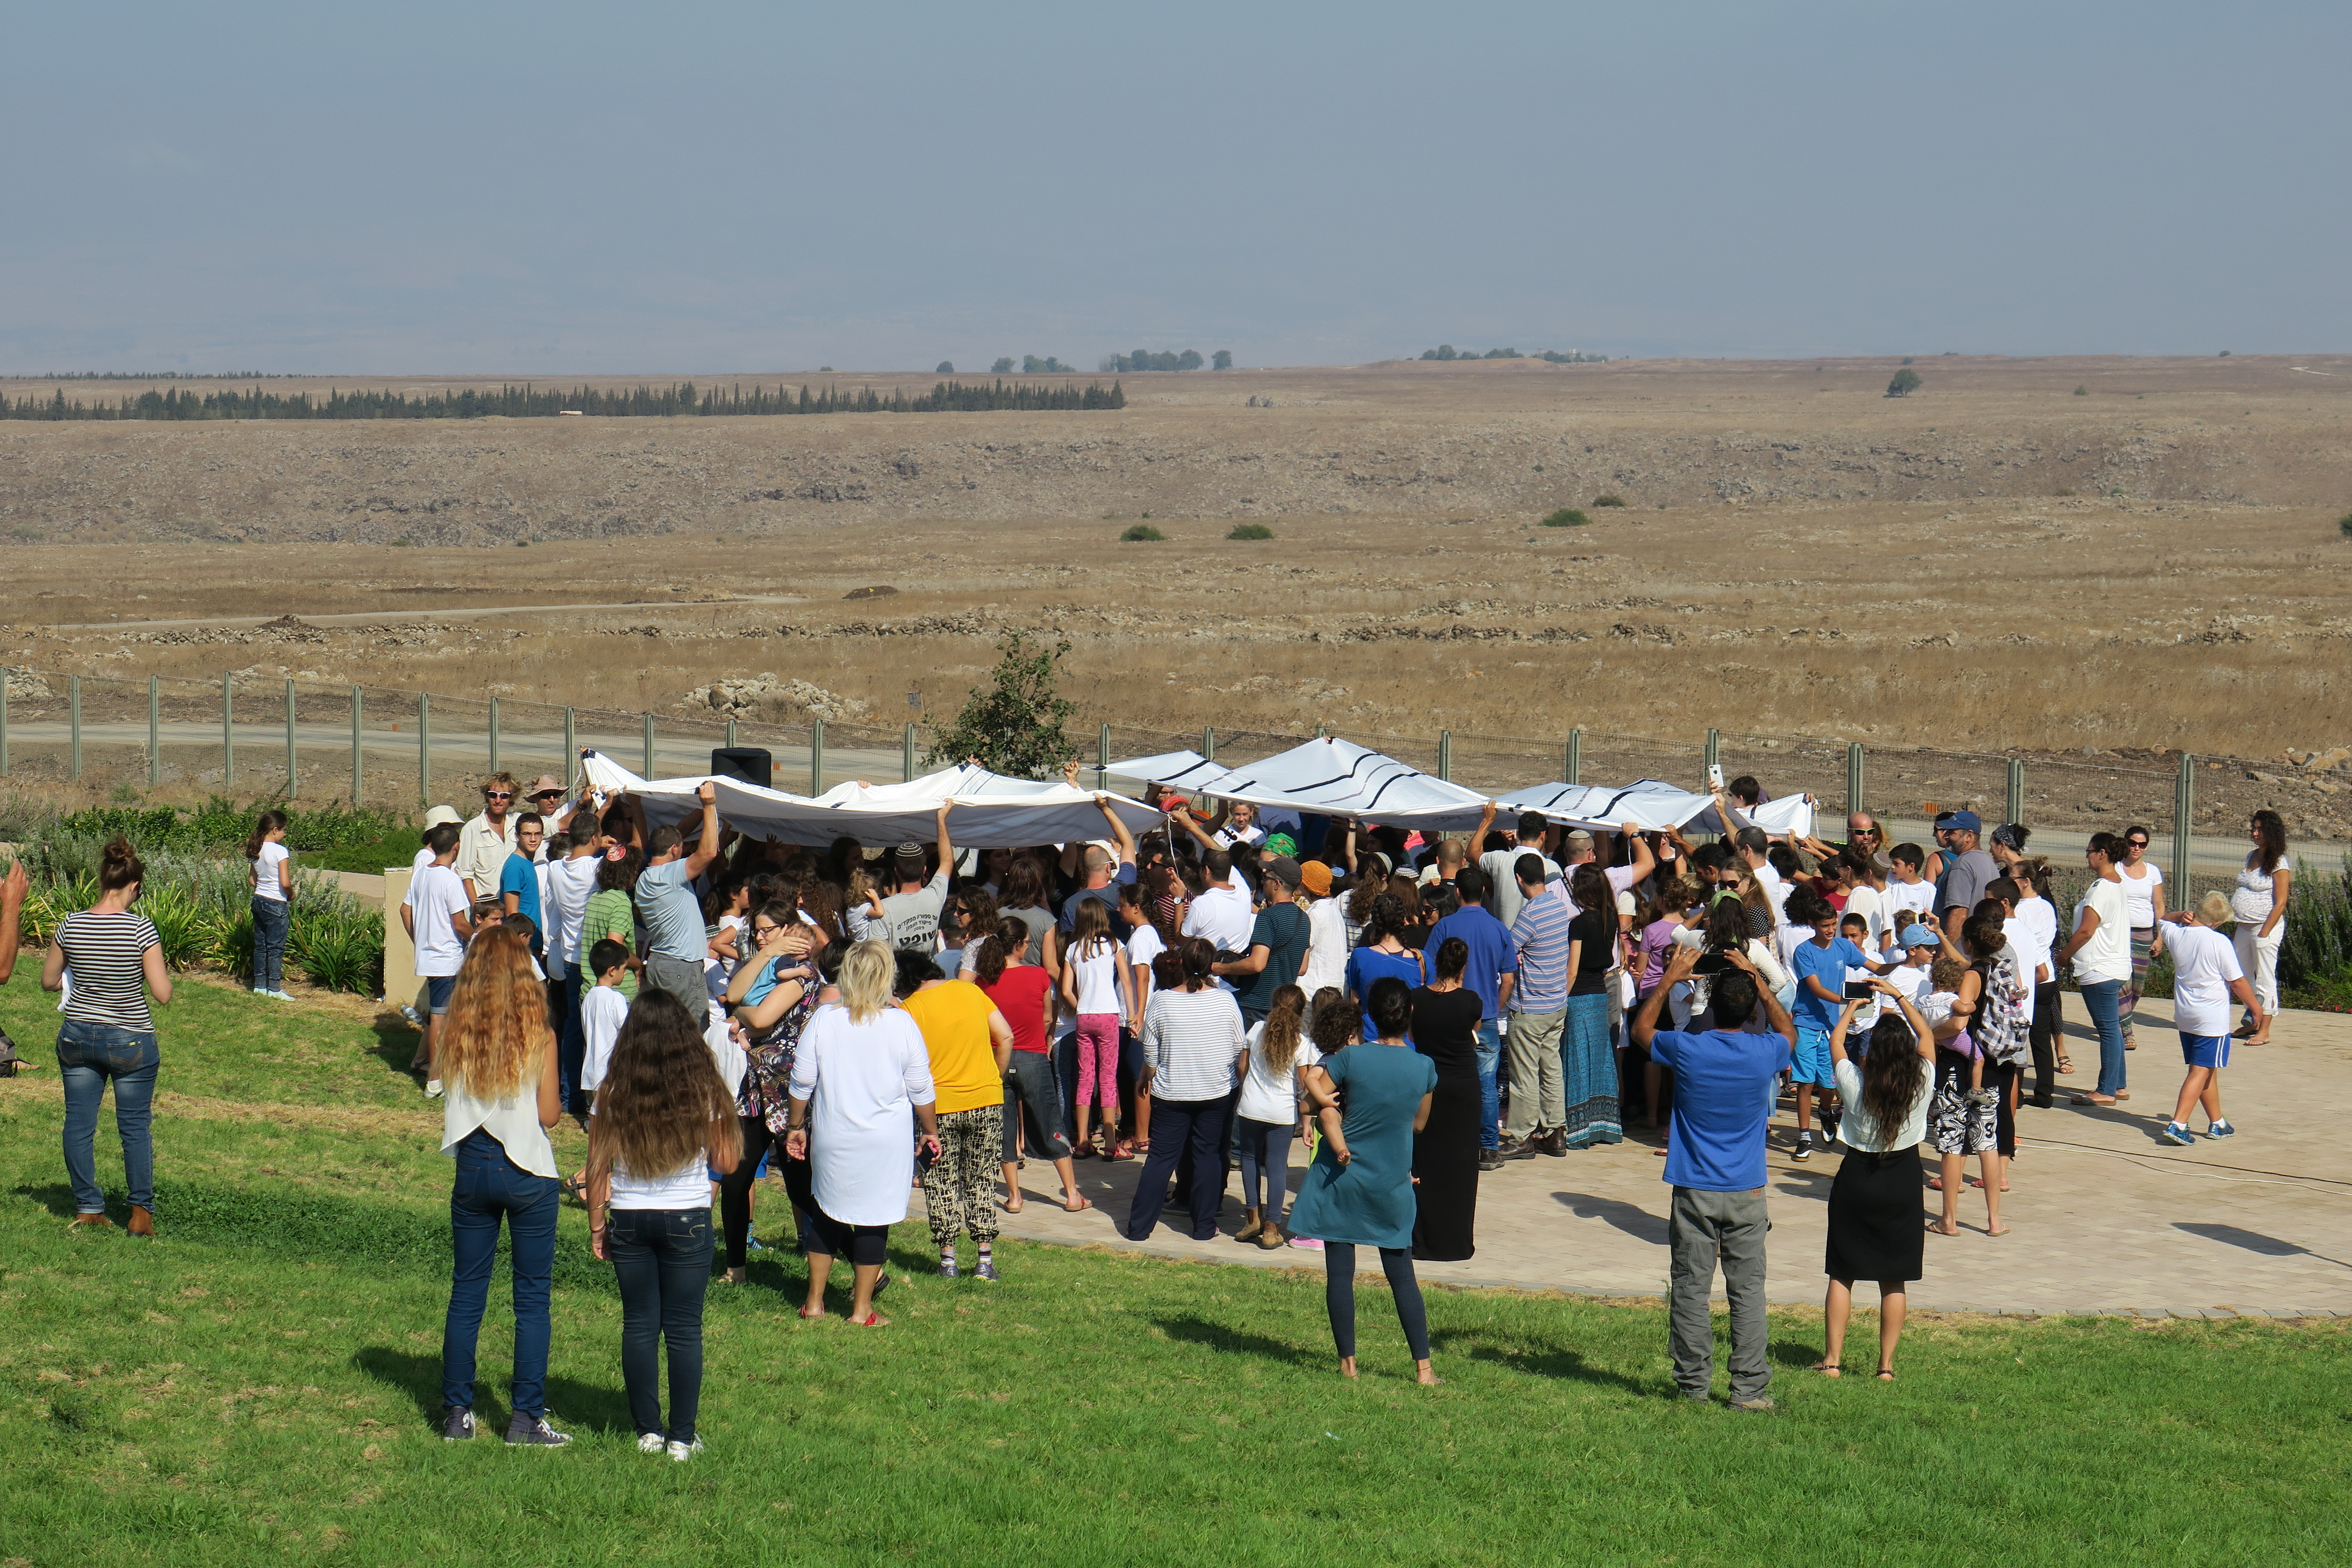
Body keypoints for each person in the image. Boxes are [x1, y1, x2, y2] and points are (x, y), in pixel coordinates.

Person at [1630, 943, 1795, 1411]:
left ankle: (1693, 1387)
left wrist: (1668, 980)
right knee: (1748, 1294)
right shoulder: (1764, 1053)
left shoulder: (1688, 1047)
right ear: (1749, 1012)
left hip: (1695, 1188)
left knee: (1690, 1288)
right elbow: (1788, 1031)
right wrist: (1759, 981)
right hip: (1747, 1190)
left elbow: (1642, 1030)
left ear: (1711, 1005)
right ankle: (1749, 1390)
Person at [587, 989, 741, 1461]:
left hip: (629, 1216)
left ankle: (648, 1431)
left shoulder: (613, 1089)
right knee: (684, 1329)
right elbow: (728, 1161)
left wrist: (597, 1226)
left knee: (638, 1325)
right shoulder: (705, 1088)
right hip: (689, 1216)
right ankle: (682, 1436)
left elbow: (597, 1166)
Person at [433, 924, 569, 1446]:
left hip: (473, 1162)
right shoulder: (541, 1033)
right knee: (531, 1299)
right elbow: (551, 1115)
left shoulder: (458, 1031)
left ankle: (457, 1413)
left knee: (467, 1292)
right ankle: (525, 1418)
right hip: (527, 1167)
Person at [1289, 977, 1440, 1384]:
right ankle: (1424, 1370)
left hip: (1343, 1180)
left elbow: (1310, 1097)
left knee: (1340, 1274)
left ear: (1370, 1016)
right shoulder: (1425, 1068)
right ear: (1409, 1015)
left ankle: (1348, 1366)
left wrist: (1326, 1103)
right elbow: (1419, 1125)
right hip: (1392, 1182)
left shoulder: (1351, 1061)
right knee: (1402, 1275)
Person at [784, 941, 942, 1326]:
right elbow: (921, 1088)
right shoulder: (902, 1023)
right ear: (887, 976)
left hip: (834, 1135)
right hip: (886, 1142)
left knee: (826, 1214)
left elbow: (802, 1081)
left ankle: (815, 1302)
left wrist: (795, 1126)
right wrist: (930, 1131)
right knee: (874, 1221)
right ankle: (862, 1310)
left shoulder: (825, 1019)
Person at [43, 837, 172, 1234]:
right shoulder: (141, 928)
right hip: (130, 1038)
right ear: (134, 887)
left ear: (102, 881)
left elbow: (49, 981)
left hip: (78, 1037)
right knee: (134, 1126)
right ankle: (139, 1214)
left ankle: (88, 1207)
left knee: (78, 1124)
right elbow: (162, 993)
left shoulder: (71, 923)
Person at [1816, 979, 1936, 1381]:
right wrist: (1899, 997)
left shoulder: (1855, 1081)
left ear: (1872, 1052)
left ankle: (1832, 1360)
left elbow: (1835, 1042)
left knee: (1842, 1272)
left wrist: (1854, 1007)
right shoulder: (1922, 1078)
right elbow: (1927, 1035)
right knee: (1894, 1278)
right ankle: (1885, 1366)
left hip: (1857, 1177)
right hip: (1902, 1178)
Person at [1125, 937, 1246, 1243]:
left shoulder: (1162, 1001)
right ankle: (1203, 1227)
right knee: (1208, 1156)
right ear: (1211, 967)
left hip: (1172, 1093)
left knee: (1161, 1158)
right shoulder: (1225, 1001)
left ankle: (1139, 1227)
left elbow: (1150, 1054)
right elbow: (1237, 1048)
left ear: (1182, 963)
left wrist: (1145, 1078)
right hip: (1217, 1091)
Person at [904, 956, 1016, 1279]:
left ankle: (948, 1260)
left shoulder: (910, 1009)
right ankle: (984, 1260)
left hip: (936, 1109)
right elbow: (1006, 1036)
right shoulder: (971, 992)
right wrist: (996, 1077)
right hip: (986, 1099)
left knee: (940, 1180)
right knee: (981, 1178)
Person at [974, 918, 1088, 1213]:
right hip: (1033, 1056)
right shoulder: (1038, 976)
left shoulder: (984, 980)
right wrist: (1047, 1039)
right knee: (1052, 1124)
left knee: (1004, 1130)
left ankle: (1014, 1197)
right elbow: (1049, 1017)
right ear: (1018, 945)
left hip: (997, 1059)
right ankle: (1073, 1194)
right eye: (1026, 942)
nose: (1028, 947)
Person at [1423, 862, 1516, 1168]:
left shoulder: (1445, 927)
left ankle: (1446, 1139)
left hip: (1447, 1011)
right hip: (1486, 1016)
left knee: (1442, 1076)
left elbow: (1428, 971)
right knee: (1486, 1083)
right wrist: (1494, 1006)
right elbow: (1509, 979)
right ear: (1484, 891)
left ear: (1458, 893)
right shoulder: (1500, 928)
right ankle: (1488, 1147)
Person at [2158, 893, 2263, 1144]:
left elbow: (2162, 919)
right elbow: (2237, 981)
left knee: (2208, 1070)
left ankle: (2218, 1123)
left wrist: (2180, 916)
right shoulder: (2219, 942)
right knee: (2200, 1070)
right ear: (2217, 923)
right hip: (2211, 1018)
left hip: (2185, 1015)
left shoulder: (2176, 934)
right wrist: (2255, 1008)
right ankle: (2179, 1124)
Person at [1409, 939, 1484, 1261]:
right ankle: (1456, 1242)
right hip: (1464, 1090)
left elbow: (1413, 1036)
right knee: (1461, 1169)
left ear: (1436, 962)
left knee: (1425, 1162)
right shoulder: (1471, 1002)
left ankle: (1423, 1240)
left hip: (1427, 1087)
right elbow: (1474, 1031)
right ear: (1464, 967)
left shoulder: (1417, 999)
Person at [1788, 896, 1873, 1162]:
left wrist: (1907, 960)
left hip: (1832, 1027)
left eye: (1833, 924)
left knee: (1829, 1084)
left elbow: (1877, 967)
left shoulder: (1844, 947)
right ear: (1813, 924)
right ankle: (1804, 1136)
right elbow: (1816, 989)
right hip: (1805, 1023)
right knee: (1805, 1082)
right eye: (1825, 925)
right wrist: (1849, 1001)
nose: (1830, 930)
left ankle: (1825, 1111)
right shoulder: (1803, 951)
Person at [1501, 855, 1574, 1158]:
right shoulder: (1560, 908)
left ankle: (1521, 1136)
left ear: (1519, 879)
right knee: (1551, 1068)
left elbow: (1507, 949)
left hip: (1530, 1006)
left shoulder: (1529, 914)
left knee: (1524, 1075)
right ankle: (1556, 1132)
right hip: (1556, 1003)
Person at [1234, 984, 1316, 1250]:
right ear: (1302, 1011)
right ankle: (1272, 1229)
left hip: (1250, 1107)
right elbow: (1305, 1084)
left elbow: (1242, 1067)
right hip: (1281, 1113)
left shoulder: (1257, 1029)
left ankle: (1252, 1220)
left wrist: (1249, 1088)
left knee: (1248, 1160)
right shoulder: (1302, 1043)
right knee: (1277, 1167)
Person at [636, 783, 723, 1017]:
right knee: (690, 1031)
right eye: (682, 849)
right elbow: (708, 853)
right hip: (681, 968)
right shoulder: (669, 876)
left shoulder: (646, 877)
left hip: (660, 963)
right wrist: (709, 805)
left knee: (663, 1031)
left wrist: (700, 808)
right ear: (675, 850)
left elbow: (677, 834)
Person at [2058, 833, 2132, 1108]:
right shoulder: (2117, 884)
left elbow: (2086, 930)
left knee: (2108, 1030)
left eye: (2089, 851)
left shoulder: (2101, 888)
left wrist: (2065, 955)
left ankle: (2106, 1090)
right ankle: (2119, 1085)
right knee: (2113, 1029)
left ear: (2102, 853)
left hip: (2099, 969)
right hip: (2114, 966)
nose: (2087, 856)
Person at [402, 821, 474, 1097]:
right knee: (440, 1018)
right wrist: (478, 935)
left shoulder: (423, 874)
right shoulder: (450, 880)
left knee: (440, 1017)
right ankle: (435, 1080)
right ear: (456, 847)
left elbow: (404, 910)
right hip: (447, 960)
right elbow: (460, 924)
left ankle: (442, 1074)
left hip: (431, 958)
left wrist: (418, 940)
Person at [1060, 896, 1134, 1156]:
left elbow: (1066, 989)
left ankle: (1082, 1141)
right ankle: (1112, 1144)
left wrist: (1081, 1003)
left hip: (1084, 1016)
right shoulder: (1114, 944)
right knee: (1108, 1078)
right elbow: (1126, 981)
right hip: (1108, 1015)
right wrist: (1134, 1014)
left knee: (1085, 1078)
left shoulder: (1073, 949)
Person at [1559, 864, 1624, 1150]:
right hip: (1600, 996)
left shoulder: (1580, 923)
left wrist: (1560, 1001)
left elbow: (1572, 971)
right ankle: (1603, 1125)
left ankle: (1578, 1129)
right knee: (1599, 1061)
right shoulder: (1610, 919)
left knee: (1576, 1061)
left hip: (1579, 998)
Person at [1213, 855, 1311, 1025]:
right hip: (1285, 1008)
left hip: (1256, 1005)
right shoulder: (1304, 919)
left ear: (1277, 884)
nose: (1263, 882)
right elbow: (1302, 968)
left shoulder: (1268, 916)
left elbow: (1257, 964)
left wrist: (1222, 968)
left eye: (1266, 878)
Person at [2233, 810, 2291, 1046]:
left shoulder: (2279, 862)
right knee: (2242, 977)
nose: (2255, 834)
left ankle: (2264, 1029)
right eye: (2253, 829)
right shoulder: (2251, 856)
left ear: (2271, 833)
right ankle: (2252, 1019)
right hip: (2243, 928)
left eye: (2260, 830)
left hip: (2265, 928)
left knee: (2265, 978)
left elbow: (2281, 902)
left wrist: (2265, 933)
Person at [2113, 824, 2166, 1052]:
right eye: (2133, 843)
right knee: (2123, 982)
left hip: (2145, 933)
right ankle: (2127, 1031)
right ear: (2126, 843)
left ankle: (2122, 1017)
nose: (2137, 848)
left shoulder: (2153, 872)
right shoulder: (2115, 868)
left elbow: (2159, 904)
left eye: (2142, 844)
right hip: (2121, 932)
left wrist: (2160, 936)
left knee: (2138, 986)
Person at [881, 808, 956, 950]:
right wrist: (941, 819)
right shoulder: (935, 896)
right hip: (930, 972)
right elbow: (947, 861)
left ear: (896, 871)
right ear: (924, 870)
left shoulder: (883, 909)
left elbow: (878, 954)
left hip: (898, 972)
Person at [245, 809, 294, 1000]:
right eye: (284, 830)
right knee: (275, 947)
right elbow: (285, 882)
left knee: (260, 945)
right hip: (276, 903)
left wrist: (263, 887)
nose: (285, 834)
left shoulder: (256, 848)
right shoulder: (281, 851)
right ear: (275, 830)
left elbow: (251, 879)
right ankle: (275, 989)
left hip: (259, 900)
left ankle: (260, 986)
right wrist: (292, 894)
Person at [455, 772, 522, 905]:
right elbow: (465, 874)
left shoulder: (519, 823)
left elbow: (552, 826)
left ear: (511, 799)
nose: (498, 801)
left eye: (504, 796)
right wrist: (477, 909)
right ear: (487, 796)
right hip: (488, 910)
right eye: (493, 795)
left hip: (515, 908)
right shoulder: (473, 829)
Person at [1934, 811, 1998, 943]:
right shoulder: (1989, 863)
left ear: (1968, 836)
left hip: (1960, 952)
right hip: (1978, 950)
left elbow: (1959, 914)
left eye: (1952, 833)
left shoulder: (1962, 864)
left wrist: (1945, 954)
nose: (1946, 837)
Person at [499, 812, 547, 956]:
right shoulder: (515, 866)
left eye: (537, 834)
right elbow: (512, 914)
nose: (533, 839)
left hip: (534, 940)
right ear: (517, 836)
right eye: (527, 834)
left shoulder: (527, 862)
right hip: (523, 946)